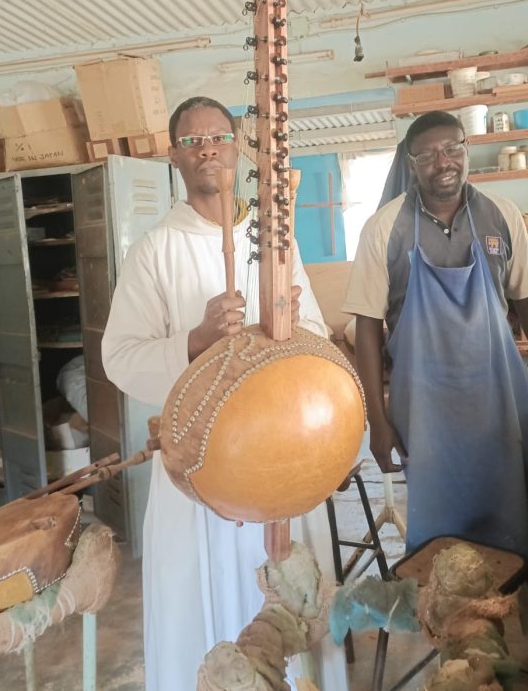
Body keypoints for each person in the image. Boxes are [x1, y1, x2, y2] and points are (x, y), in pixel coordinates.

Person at [102, 97, 348, 691]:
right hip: (200, 472)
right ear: (174, 158)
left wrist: (274, 335)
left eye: (217, 136)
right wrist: (196, 341)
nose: (205, 148)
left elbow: (314, 334)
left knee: (284, 600)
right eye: (191, 141)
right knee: (207, 617)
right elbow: (119, 359)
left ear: (238, 148)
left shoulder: (275, 241)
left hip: (281, 458)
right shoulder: (155, 251)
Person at [342, 110, 528, 634]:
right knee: (442, 538)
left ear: (466, 150)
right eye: (429, 154)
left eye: (453, 149)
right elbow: (367, 327)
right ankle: (457, 645)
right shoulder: (385, 228)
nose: (444, 162)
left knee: (510, 525)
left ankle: (518, 633)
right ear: (411, 164)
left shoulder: (500, 216)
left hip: (498, 403)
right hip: (427, 411)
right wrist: (379, 419)